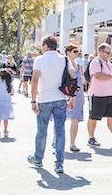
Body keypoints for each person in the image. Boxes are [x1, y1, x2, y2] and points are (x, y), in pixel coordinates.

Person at [27, 35, 76, 174]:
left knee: (42, 130)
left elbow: (35, 80)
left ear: (45, 46)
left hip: (44, 98)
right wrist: (72, 98)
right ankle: (59, 162)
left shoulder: (40, 60)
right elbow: (73, 79)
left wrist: (33, 100)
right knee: (60, 131)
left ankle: (38, 158)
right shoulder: (65, 59)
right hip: (61, 98)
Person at [65, 45, 85, 152]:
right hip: (66, 94)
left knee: (75, 119)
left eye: (78, 51)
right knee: (61, 118)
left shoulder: (78, 65)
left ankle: (72, 143)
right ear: (68, 52)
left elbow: (80, 82)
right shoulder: (64, 64)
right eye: (74, 51)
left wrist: (82, 95)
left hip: (78, 95)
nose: (77, 53)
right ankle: (55, 138)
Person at [0, 69, 15, 139]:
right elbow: (12, 93)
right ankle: (5, 130)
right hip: (7, 101)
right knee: (6, 116)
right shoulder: (9, 85)